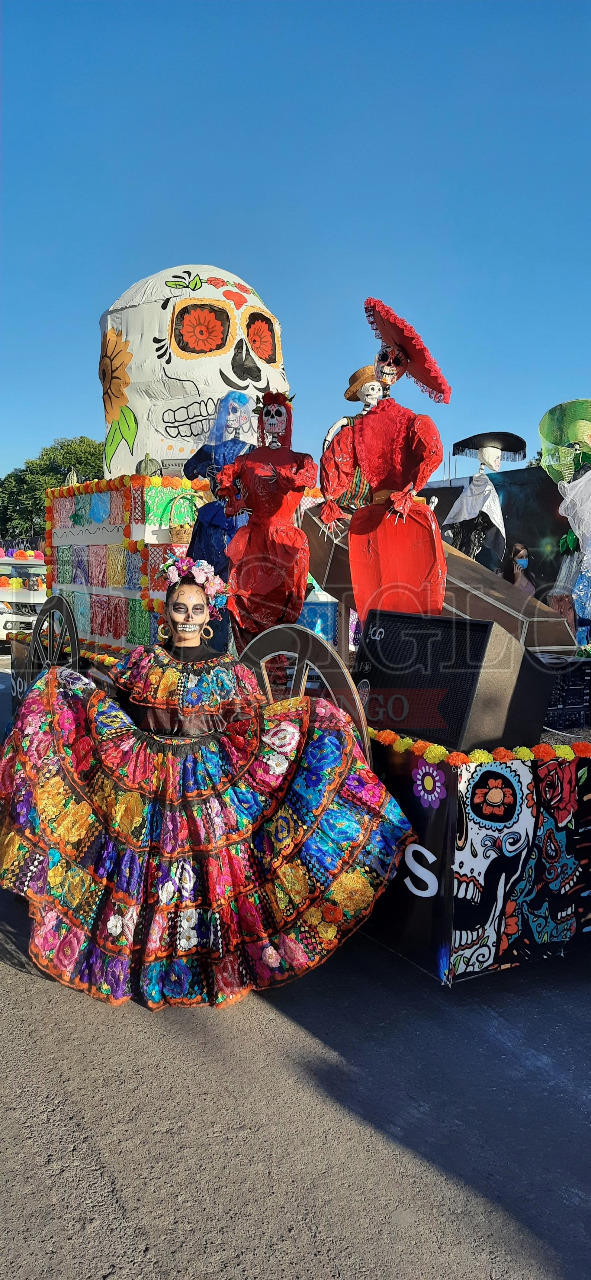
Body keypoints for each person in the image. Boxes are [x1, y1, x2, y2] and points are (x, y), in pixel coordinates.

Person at [0, 555, 411, 1009]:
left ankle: (201, 960)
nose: (188, 619)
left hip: (207, 779)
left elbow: (251, 726)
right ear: (166, 613)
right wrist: (65, 688)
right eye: (180, 608)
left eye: (197, 610)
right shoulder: (142, 662)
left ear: (209, 615)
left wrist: (311, 719)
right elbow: (108, 702)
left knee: (206, 874)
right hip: (148, 779)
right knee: (146, 871)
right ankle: (141, 955)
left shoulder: (228, 672)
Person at [217, 391, 317, 653]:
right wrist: (235, 498)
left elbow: (307, 478)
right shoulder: (246, 460)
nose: (272, 418)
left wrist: (285, 478)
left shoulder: (300, 460)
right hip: (252, 542)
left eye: (278, 413)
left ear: (287, 420)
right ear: (261, 420)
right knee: (246, 600)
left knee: (282, 603)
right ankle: (252, 664)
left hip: (284, 543)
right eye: (268, 413)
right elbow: (225, 481)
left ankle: (278, 666)